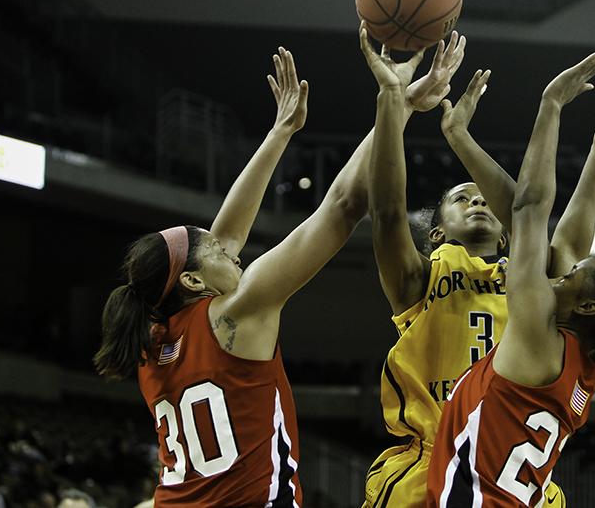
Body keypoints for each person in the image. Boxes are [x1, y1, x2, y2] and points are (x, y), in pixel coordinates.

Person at [94, 38, 463, 507]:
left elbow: (223, 238)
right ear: (192, 281)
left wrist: (281, 132)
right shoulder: (239, 309)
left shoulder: (150, 338)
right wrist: (399, 103)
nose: (233, 252)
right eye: (216, 251)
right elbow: (346, 206)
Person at [426, 52, 595, 507]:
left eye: (574, 277)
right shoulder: (582, 359)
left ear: (587, 306)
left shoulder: (537, 338)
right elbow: (569, 245)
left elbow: (528, 211)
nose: (561, 273)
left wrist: (551, 105)